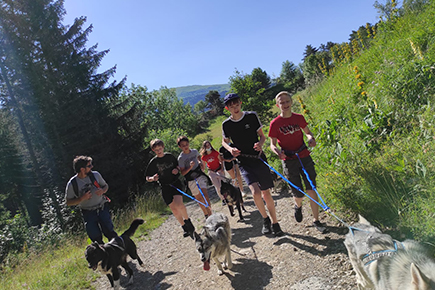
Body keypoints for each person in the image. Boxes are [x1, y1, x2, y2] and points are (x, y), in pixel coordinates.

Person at [221, 93, 283, 236]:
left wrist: (260, 144)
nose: (235, 108)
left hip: (258, 158)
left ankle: (275, 222)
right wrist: (231, 149)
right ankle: (265, 219)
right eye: (231, 106)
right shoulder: (226, 124)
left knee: (266, 193)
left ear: (240, 103)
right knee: (255, 192)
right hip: (243, 161)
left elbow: (262, 136)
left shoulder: (251, 116)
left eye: (237, 105)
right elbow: (224, 141)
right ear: (227, 108)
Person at [269, 91, 326, 233]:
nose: (285, 104)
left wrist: (310, 138)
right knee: (298, 193)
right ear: (278, 105)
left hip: (304, 155)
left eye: (287, 101)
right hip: (288, 160)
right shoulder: (275, 123)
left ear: (291, 102)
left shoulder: (299, 118)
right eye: (282, 103)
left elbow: (308, 131)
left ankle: (316, 220)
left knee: (311, 188)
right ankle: (298, 205)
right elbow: (272, 144)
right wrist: (277, 151)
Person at [145, 139, 195, 238]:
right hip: (165, 187)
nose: (159, 151)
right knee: (174, 209)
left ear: (163, 147)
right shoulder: (153, 162)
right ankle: (184, 227)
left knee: (179, 204)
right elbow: (147, 177)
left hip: (175, 183)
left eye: (160, 148)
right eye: (156, 150)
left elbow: (178, 166)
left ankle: (188, 221)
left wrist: (176, 170)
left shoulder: (170, 156)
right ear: (153, 150)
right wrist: (152, 178)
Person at [65, 156, 117, 244]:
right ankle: (105, 256)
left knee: (110, 233)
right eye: (89, 166)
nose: (92, 167)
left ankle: (119, 252)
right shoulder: (72, 183)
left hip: (102, 208)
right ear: (82, 169)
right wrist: (82, 198)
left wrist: (102, 190)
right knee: (96, 239)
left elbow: (105, 186)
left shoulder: (95, 175)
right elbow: (68, 202)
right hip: (88, 212)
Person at [177, 136, 213, 219]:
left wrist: (200, 163)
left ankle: (211, 215)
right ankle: (206, 214)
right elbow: (182, 173)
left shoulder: (194, 151)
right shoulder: (181, 158)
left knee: (205, 195)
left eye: (186, 144)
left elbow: (199, 157)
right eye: (183, 145)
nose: (185, 146)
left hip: (199, 175)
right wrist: (190, 167)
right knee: (199, 199)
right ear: (180, 147)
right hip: (190, 179)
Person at [199, 141, 227, 206]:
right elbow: (203, 166)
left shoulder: (215, 153)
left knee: (223, 185)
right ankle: (223, 199)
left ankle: (227, 197)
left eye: (209, 145)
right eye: (206, 146)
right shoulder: (204, 156)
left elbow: (221, 161)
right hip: (211, 172)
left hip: (219, 170)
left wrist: (222, 169)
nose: (208, 147)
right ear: (204, 147)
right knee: (217, 187)